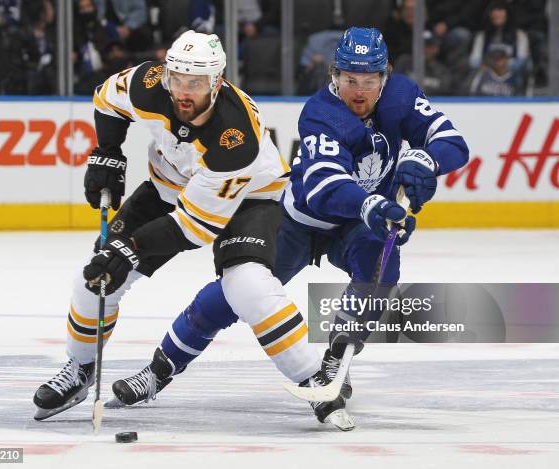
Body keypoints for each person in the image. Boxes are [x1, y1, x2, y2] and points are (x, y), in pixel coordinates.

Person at [114, 26, 469, 414]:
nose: (359, 91)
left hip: (360, 224)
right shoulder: (321, 113)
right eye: (350, 79)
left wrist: (427, 160)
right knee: (235, 291)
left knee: (382, 268)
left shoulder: (402, 96)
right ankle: (159, 369)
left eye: (370, 80)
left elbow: (451, 140)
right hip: (299, 222)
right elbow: (324, 186)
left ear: (384, 77)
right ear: (334, 75)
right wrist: (374, 206)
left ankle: (337, 356)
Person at [32, 30, 353, 430]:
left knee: (247, 284)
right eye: (177, 79)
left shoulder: (234, 137)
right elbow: (107, 98)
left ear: (216, 82)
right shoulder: (149, 84)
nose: (183, 92)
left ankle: (314, 378)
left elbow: (193, 227)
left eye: (196, 83)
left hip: (249, 201)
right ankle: (80, 368)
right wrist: (108, 152)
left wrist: (129, 247)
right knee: (94, 277)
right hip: (168, 187)